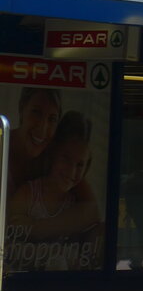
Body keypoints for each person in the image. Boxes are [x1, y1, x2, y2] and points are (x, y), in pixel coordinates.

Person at [7, 111, 103, 270]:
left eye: (80, 165)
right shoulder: (28, 194)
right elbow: (9, 243)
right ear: (53, 154)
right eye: (65, 159)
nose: (72, 171)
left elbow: (94, 220)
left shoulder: (74, 200)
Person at [6, 87, 62, 199]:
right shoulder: (3, 144)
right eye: (36, 113)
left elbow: (91, 205)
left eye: (52, 119)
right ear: (21, 108)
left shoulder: (57, 156)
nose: (42, 129)